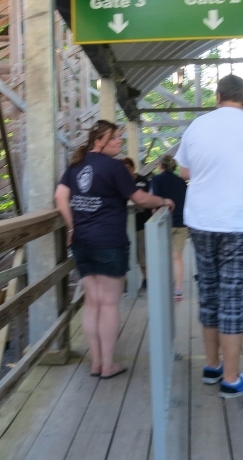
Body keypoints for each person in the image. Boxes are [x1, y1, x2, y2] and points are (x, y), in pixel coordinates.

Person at [177, 75, 243, 398]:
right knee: (235, 297)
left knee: (209, 291)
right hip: (241, 224)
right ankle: (232, 379)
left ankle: (212, 365)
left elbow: (184, 171)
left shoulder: (197, 126)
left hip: (201, 221)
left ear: (218, 96)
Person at [55, 121, 172, 379]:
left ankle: (96, 363)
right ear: (99, 141)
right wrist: (163, 201)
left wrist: (72, 226)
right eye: (115, 138)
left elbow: (60, 197)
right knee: (108, 304)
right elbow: (140, 198)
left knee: (92, 303)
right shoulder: (115, 167)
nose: (120, 142)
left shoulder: (76, 166)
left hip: (82, 241)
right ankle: (107, 365)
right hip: (109, 240)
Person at [150, 154, 188, 300]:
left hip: (164, 222)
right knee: (177, 257)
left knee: (161, 257)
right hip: (181, 222)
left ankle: (162, 288)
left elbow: (155, 201)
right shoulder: (181, 182)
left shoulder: (156, 180)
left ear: (161, 165)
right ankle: (178, 289)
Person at [123, 157, 151, 287]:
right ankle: (126, 282)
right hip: (125, 225)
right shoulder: (120, 181)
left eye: (127, 168)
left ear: (133, 168)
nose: (125, 171)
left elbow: (145, 198)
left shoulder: (141, 181)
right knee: (125, 254)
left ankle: (147, 279)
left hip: (141, 223)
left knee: (143, 254)